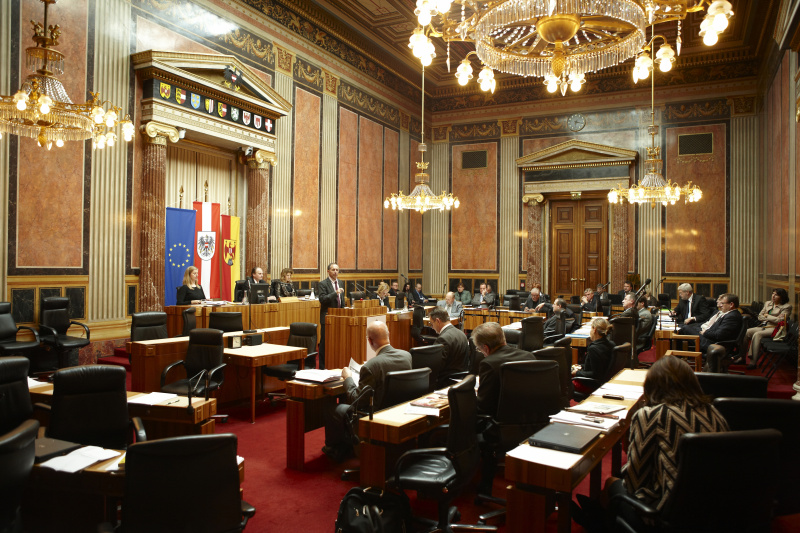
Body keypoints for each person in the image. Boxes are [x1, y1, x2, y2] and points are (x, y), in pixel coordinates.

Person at [594, 356, 729, 530]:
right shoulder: (714, 412)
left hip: (669, 516)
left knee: (611, 484)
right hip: (718, 513)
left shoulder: (651, 415)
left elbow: (634, 482)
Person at [322, 321, 411, 462]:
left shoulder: (371, 366)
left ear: (369, 340)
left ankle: (334, 450)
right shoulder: (407, 356)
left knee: (332, 409)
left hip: (374, 416)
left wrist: (348, 378)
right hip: (399, 412)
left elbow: (355, 399)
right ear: (388, 336)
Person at [472, 322, 536, 415]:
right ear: (503, 338)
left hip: (502, 419)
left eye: (479, 349)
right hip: (532, 416)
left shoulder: (488, 364)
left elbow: (484, 405)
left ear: (485, 348)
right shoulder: (529, 356)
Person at [745, 288, 791, 368]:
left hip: (775, 329)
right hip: (764, 326)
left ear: (782, 297)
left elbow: (780, 321)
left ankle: (753, 362)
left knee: (757, 334)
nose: (773, 296)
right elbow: (759, 316)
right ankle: (742, 357)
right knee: (746, 332)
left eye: (776, 294)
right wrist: (771, 318)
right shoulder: (767, 303)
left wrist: (767, 316)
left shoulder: (786, 307)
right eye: (773, 293)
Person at [572, 317, 615, 395]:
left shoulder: (594, 349)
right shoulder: (611, 344)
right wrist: (581, 366)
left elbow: (595, 374)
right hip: (605, 382)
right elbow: (598, 366)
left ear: (594, 329)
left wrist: (577, 373)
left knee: (563, 382)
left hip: (592, 385)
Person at [429, 307, 469, 387]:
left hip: (446, 382)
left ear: (437, 321)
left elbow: (437, 366)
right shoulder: (461, 333)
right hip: (462, 379)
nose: (432, 327)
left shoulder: (443, 339)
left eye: (431, 323)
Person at [316, 263, 344, 369]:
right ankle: (322, 367)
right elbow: (322, 299)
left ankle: (335, 364)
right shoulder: (323, 284)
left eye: (337, 270)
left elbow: (341, 300)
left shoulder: (340, 282)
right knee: (324, 342)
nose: (335, 272)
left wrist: (344, 310)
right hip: (327, 317)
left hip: (339, 317)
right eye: (333, 270)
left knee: (337, 341)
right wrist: (335, 293)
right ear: (328, 271)